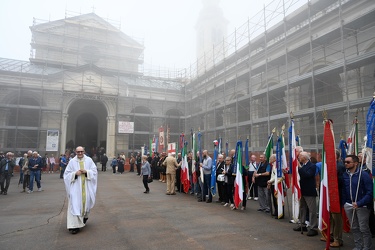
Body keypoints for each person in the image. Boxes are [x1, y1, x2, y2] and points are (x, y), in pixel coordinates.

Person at [64, 146, 98, 235]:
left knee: (85, 204)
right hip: (75, 187)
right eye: (78, 152)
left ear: (84, 152)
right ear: (75, 152)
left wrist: (87, 172)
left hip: (86, 187)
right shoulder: (72, 162)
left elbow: (94, 172)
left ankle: (84, 218)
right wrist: (75, 173)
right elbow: (66, 175)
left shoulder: (89, 160)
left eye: (81, 152)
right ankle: (74, 226)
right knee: (74, 204)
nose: (80, 153)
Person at [342, 154, 373, 250]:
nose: (345, 164)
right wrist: (345, 202)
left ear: (355, 163)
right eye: (345, 162)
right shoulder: (345, 174)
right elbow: (343, 189)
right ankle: (358, 246)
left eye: (348, 162)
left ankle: (367, 247)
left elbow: (369, 192)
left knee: (363, 228)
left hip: (361, 206)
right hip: (348, 204)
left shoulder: (363, 175)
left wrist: (360, 203)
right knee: (354, 227)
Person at [293, 151, 318, 236]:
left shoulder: (312, 166)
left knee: (312, 210)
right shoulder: (302, 166)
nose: (299, 157)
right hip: (301, 190)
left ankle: (313, 227)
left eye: (300, 156)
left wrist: (300, 168)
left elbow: (307, 175)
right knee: (302, 208)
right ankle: (302, 224)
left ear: (305, 157)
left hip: (309, 191)